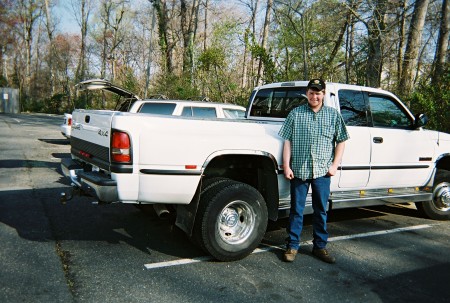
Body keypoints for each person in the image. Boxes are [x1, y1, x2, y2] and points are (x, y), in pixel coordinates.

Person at [278, 78, 349, 263]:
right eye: (311, 93)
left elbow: (341, 140)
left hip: (322, 172)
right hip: (299, 171)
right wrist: (286, 165)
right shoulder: (295, 114)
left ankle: (320, 247)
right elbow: (287, 141)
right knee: (296, 210)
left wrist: (334, 165)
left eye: (318, 93)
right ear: (307, 94)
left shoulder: (333, 115)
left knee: (320, 210)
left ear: (323, 94)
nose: (314, 96)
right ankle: (292, 246)